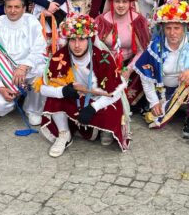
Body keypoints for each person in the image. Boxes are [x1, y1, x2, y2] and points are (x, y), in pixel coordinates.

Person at [36, 14, 130, 156]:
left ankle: (104, 129)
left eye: (82, 39)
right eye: (72, 40)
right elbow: (42, 88)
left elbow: (116, 92)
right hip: (75, 97)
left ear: (90, 39)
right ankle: (64, 134)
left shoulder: (103, 57)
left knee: (113, 105)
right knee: (54, 97)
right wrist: (63, 91)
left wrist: (93, 107)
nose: (77, 45)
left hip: (98, 99)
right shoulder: (59, 57)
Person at [134, 0, 189, 137]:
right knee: (155, 120)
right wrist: (154, 102)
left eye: (177, 28)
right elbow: (146, 76)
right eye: (168, 28)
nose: (172, 33)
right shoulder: (156, 47)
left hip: (188, 91)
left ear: (184, 27)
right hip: (163, 92)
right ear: (163, 28)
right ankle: (165, 105)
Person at [0, 0, 47, 124]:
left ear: (24, 8)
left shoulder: (32, 22)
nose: (13, 10)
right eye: (9, 7)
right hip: (5, 74)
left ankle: (32, 108)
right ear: (4, 8)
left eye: (17, 7)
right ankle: (14, 97)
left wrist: (23, 67)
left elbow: (40, 50)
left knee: (42, 70)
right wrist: (0, 87)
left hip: (28, 70)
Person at [95, 0, 150, 109]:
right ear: (111, 2)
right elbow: (95, 48)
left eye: (124, 1)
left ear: (130, 3)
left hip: (130, 64)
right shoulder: (102, 20)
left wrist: (129, 69)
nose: (120, 5)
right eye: (117, 1)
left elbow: (142, 50)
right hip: (106, 63)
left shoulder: (138, 21)